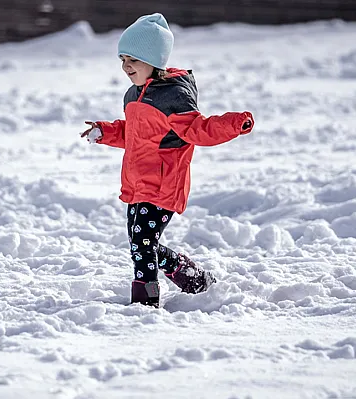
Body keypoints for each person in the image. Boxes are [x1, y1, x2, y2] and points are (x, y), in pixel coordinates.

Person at [81, 13, 254, 307]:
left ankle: (145, 303)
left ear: (154, 61)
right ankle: (193, 278)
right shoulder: (133, 95)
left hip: (162, 184)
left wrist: (234, 123)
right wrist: (105, 131)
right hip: (137, 182)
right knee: (143, 245)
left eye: (132, 60)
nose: (125, 67)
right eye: (122, 59)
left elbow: (199, 129)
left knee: (142, 245)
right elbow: (134, 135)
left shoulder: (174, 96)